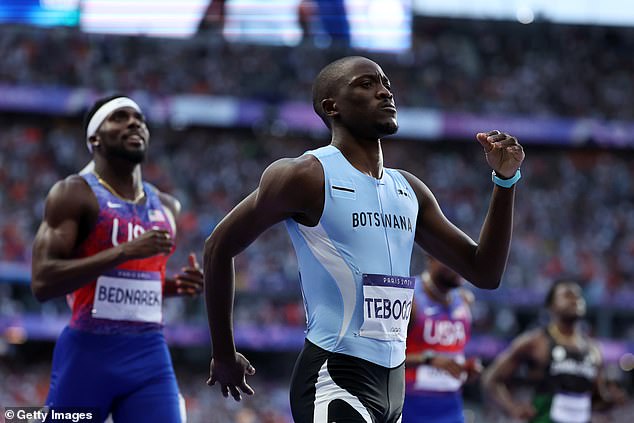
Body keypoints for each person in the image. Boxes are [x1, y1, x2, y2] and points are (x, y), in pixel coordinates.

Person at [203, 56, 524, 423]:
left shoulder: (410, 190)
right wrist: (223, 353)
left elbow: (485, 271)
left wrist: (505, 182)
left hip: (394, 390)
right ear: (331, 106)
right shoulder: (305, 175)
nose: (385, 91)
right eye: (366, 84)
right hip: (334, 379)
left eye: (385, 83)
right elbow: (217, 247)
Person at [31, 95, 203, 422]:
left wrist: (169, 287)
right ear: (95, 138)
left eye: (138, 117)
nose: (134, 122)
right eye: (119, 117)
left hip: (149, 353)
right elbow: (43, 282)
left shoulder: (167, 206)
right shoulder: (73, 193)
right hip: (87, 354)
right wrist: (124, 251)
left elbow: (118, 285)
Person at [482, 278, 628, 422]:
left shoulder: (593, 350)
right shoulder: (535, 342)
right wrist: (512, 408)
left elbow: (595, 401)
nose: (575, 299)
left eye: (578, 296)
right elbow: (491, 379)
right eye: (567, 295)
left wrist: (611, 401)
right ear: (551, 306)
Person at [403, 256, 482, 423]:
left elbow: (454, 355)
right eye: (452, 259)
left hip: (452, 407)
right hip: (410, 406)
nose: (460, 267)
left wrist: (466, 369)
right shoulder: (409, 297)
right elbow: (383, 361)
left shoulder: (465, 301)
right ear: (430, 258)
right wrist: (428, 359)